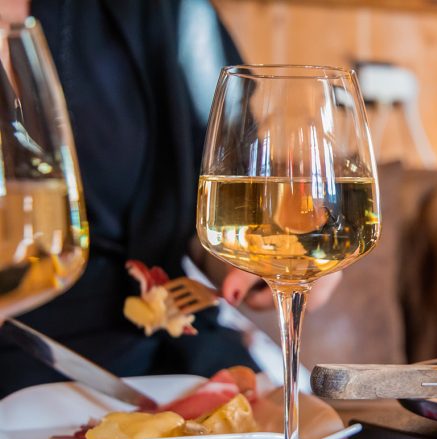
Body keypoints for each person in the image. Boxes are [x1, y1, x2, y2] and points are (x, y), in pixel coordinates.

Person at [0, 0, 341, 396]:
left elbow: (227, 197)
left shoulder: (173, 11)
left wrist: (261, 256)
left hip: (172, 354)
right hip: (21, 367)